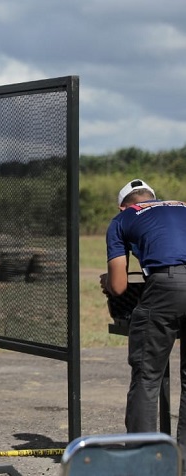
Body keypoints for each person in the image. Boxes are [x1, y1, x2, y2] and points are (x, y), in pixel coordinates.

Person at [101, 178, 186, 456]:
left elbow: (119, 286)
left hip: (166, 287)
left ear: (122, 205)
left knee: (147, 376)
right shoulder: (182, 207)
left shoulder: (122, 219)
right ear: (154, 197)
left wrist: (107, 282)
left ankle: (144, 459)